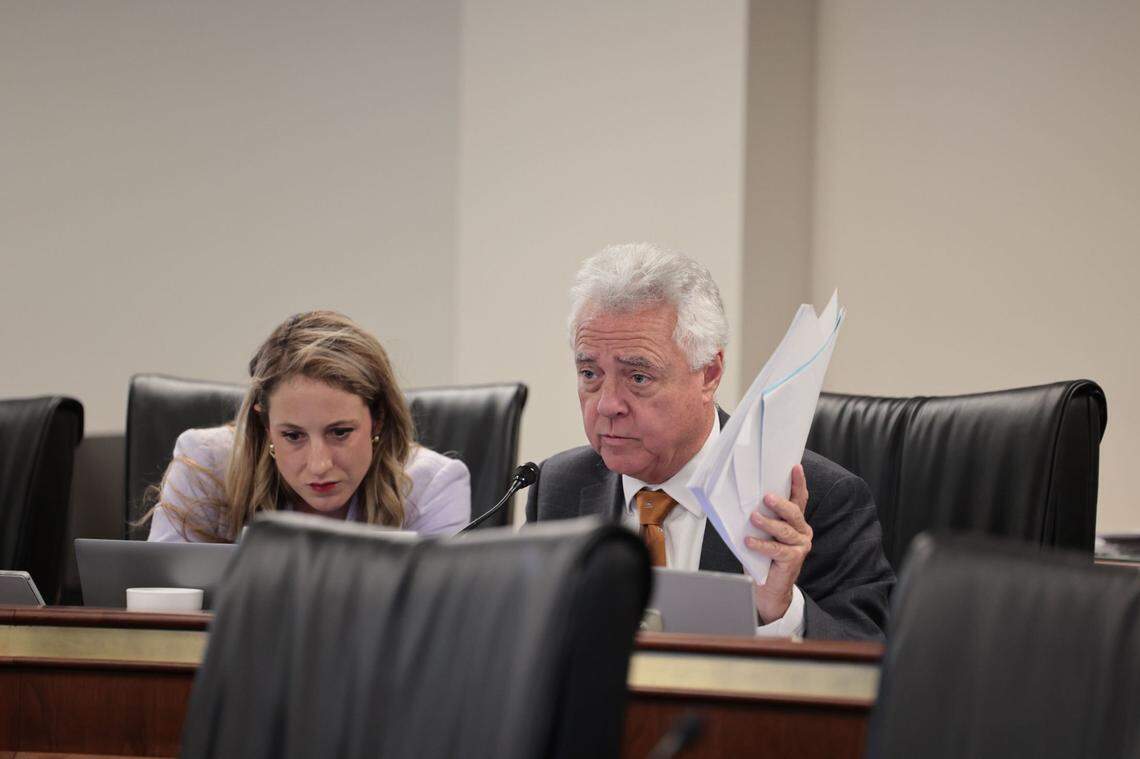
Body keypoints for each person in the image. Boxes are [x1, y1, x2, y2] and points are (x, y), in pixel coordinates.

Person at [524, 243, 895, 640]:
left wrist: (780, 611)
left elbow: (869, 657)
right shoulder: (558, 489)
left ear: (709, 374)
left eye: (638, 377)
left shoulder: (816, 499)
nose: (607, 404)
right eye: (589, 374)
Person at [147, 310, 470, 542]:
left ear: (378, 420)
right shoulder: (205, 464)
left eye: (340, 432)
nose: (319, 465)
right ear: (265, 425)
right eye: (293, 435)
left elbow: (441, 614)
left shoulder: (433, 486)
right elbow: (161, 601)